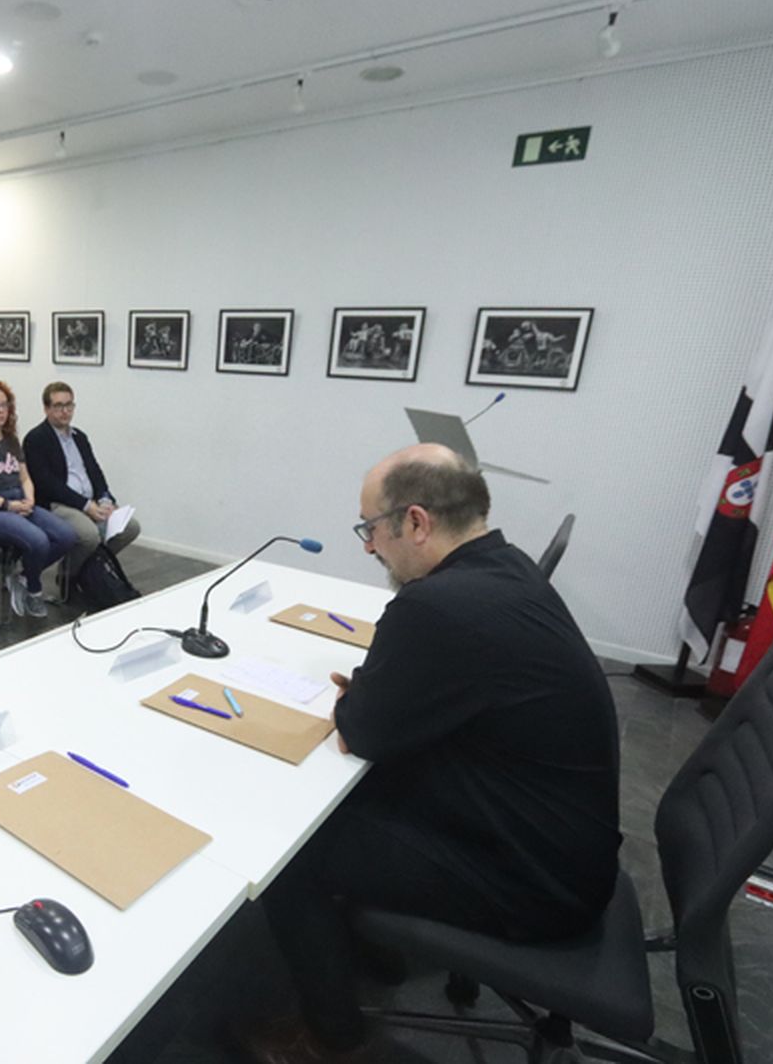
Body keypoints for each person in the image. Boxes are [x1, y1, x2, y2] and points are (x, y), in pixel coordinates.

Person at [246, 443, 620, 1058]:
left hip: (535, 878)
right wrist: (378, 694)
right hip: (563, 837)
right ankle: (370, 947)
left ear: (415, 523)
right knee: (360, 793)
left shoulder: (435, 606)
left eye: (371, 529)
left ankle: (327, 1036)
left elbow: (363, 728)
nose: (368, 547)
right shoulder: (505, 566)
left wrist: (365, 698)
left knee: (293, 853)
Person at [0, 381, 77, 618]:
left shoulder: (11, 440)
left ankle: (22, 575)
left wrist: (29, 499)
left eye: (4, 405)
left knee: (67, 536)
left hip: (20, 501)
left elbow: (25, 477)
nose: (1, 411)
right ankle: (34, 590)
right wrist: (7, 505)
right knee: (40, 541)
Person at [23, 382, 140, 576]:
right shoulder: (36, 439)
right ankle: (68, 575)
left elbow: (95, 472)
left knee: (130, 527)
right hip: (58, 504)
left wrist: (105, 499)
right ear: (46, 408)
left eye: (69, 405)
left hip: (90, 501)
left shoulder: (79, 437)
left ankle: (90, 570)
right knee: (89, 535)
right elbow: (48, 484)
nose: (65, 411)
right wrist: (86, 506)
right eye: (58, 406)